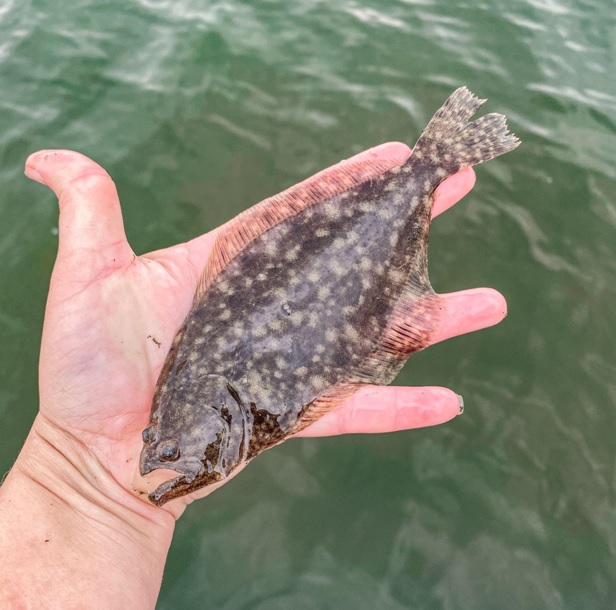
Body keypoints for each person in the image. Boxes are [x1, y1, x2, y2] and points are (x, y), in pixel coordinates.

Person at [0, 143, 505, 608]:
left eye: (166, 447)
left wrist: (78, 487)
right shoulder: (199, 394)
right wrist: (82, 485)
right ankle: (429, 168)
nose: (157, 458)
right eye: (163, 448)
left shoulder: (205, 395)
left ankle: (431, 165)